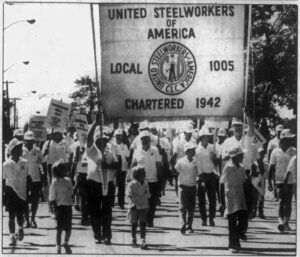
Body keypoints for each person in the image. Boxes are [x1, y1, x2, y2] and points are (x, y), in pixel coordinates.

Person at [86, 117, 119, 244]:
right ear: (96, 140)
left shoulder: (109, 150)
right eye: (100, 140)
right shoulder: (91, 149)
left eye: (105, 140)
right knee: (94, 211)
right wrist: (95, 123)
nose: (103, 142)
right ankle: (97, 234)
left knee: (107, 212)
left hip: (108, 185)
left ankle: (107, 235)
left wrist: (108, 166)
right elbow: (89, 138)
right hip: (94, 185)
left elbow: (117, 165)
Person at [131, 131, 162, 227]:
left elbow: (158, 165)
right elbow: (133, 165)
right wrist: (130, 177)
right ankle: (142, 220)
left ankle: (150, 219)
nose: (145, 141)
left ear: (150, 140)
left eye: (147, 139)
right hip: (140, 182)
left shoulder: (155, 150)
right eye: (143, 139)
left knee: (152, 202)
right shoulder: (137, 151)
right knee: (141, 202)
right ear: (140, 140)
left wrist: (161, 180)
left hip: (153, 180)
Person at [220, 146, 248, 253]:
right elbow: (221, 184)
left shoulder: (241, 167)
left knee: (242, 220)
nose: (242, 157)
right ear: (235, 157)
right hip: (230, 199)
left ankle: (239, 236)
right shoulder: (227, 168)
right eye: (241, 156)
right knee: (232, 223)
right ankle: (233, 244)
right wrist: (221, 201)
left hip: (240, 198)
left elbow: (244, 181)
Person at [268, 129, 296, 232]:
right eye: (289, 139)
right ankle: (280, 222)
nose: (291, 141)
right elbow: (271, 167)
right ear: (283, 139)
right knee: (281, 201)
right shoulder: (275, 152)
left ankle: (286, 223)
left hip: (291, 181)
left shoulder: (294, 151)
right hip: (279, 181)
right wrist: (270, 182)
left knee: (288, 202)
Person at [3, 139, 29, 246]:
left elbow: (28, 177)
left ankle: (20, 228)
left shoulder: (25, 162)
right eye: (19, 148)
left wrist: (29, 191)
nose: (21, 150)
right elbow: (3, 180)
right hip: (10, 192)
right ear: (13, 150)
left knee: (20, 215)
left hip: (22, 192)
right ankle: (12, 236)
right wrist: (3, 195)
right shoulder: (5, 164)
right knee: (11, 216)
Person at [49, 160, 73, 254]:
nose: (64, 171)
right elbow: (52, 197)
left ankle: (66, 242)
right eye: (62, 169)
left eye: (64, 169)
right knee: (59, 228)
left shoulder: (68, 180)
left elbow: (71, 192)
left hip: (68, 207)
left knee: (68, 228)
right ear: (57, 171)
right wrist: (53, 208)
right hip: (59, 208)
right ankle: (58, 246)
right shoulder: (54, 182)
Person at [195, 127, 218, 226]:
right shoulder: (197, 150)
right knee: (201, 199)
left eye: (208, 137)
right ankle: (203, 218)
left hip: (211, 174)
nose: (207, 138)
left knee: (212, 198)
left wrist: (214, 158)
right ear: (201, 138)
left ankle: (211, 217)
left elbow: (216, 162)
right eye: (205, 137)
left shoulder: (212, 147)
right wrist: (199, 176)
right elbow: (196, 164)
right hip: (201, 175)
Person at [174, 141, 198, 234]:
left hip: (192, 186)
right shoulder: (180, 161)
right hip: (183, 186)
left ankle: (189, 225)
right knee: (182, 207)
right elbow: (175, 172)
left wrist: (199, 178)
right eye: (192, 150)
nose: (194, 152)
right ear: (187, 151)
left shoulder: (196, 161)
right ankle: (182, 225)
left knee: (191, 208)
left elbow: (199, 172)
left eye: (194, 150)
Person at [22, 131, 43, 228]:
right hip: (24, 178)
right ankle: (26, 219)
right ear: (24, 141)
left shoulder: (38, 150)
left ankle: (33, 219)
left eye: (31, 141)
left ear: (33, 141)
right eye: (27, 141)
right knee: (25, 200)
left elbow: (40, 162)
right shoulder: (20, 150)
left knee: (35, 200)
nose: (29, 143)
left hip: (35, 178)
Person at [126, 166, 150, 249]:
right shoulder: (132, 184)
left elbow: (147, 194)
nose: (142, 175)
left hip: (143, 206)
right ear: (135, 174)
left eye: (143, 173)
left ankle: (142, 240)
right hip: (134, 207)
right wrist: (131, 203)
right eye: (140, 173)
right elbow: (128, 195)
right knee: (134, 224)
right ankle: (133, 238)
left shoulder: (146, 183)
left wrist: (148, 205)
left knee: (143, 224)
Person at [170, 123, 195, 202]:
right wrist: (172, 166)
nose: (190, 135)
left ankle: (189, 198)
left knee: (189, 181)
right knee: (179, 181)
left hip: (190, 164)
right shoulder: (178, 142)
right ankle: (178, 196)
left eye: (191, 133)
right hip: (180, 165)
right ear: (184, 133)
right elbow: (174, 155)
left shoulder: (193, 141)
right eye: (188, 133)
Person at [72, 144, 90, 225]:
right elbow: (74, 162)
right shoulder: (78, 148)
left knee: (89, 198)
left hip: (90, 175)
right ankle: (84, 217)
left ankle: (87, 216)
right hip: (81, 175)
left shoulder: (92, 147)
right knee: (83, 197)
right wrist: (72, 176)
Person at [250, 147, 268, 219]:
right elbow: (252, 174)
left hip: (262, 183)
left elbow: (265, 174)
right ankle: (253, 212)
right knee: (254, 198)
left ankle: (261, 212)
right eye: (260, 153)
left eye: (263, 154)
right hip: (255, 182)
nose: (262, 155)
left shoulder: (265, 164)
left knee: (261, 198)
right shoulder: (254, 164)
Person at [267, 124, 284, 200]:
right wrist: (269, 161)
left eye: (281, 131)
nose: (280, 133)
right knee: (275, 178)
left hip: (283, 162)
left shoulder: (284, 140)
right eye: (278, 131)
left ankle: (281, 194)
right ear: (276, 132)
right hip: (274, 162)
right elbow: (269, 152)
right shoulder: (272, 141)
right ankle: (276, 195)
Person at [114, 128, 130, 209]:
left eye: (120, 136)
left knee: (121, 186)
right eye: (117, 136)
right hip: (114, 169)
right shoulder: (112, 145)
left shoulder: (125, 146)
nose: (118, 137)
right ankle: (112, 202)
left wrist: (129, 167)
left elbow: (127, 157)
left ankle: (121, 202)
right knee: (113, 186)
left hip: (123, 169)